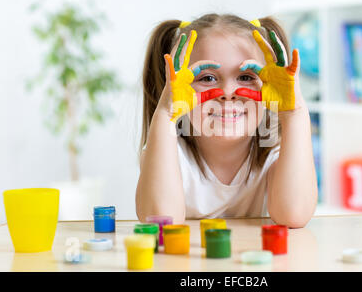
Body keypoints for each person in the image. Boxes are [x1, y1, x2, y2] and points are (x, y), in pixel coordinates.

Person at [136, 14, 317, 228]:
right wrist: (166, 114)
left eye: (246, 77)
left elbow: (294, 215)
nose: (228, 92)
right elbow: (160, 221)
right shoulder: (167, 152)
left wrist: (294, 112)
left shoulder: (276, 153)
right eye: (207, 78)